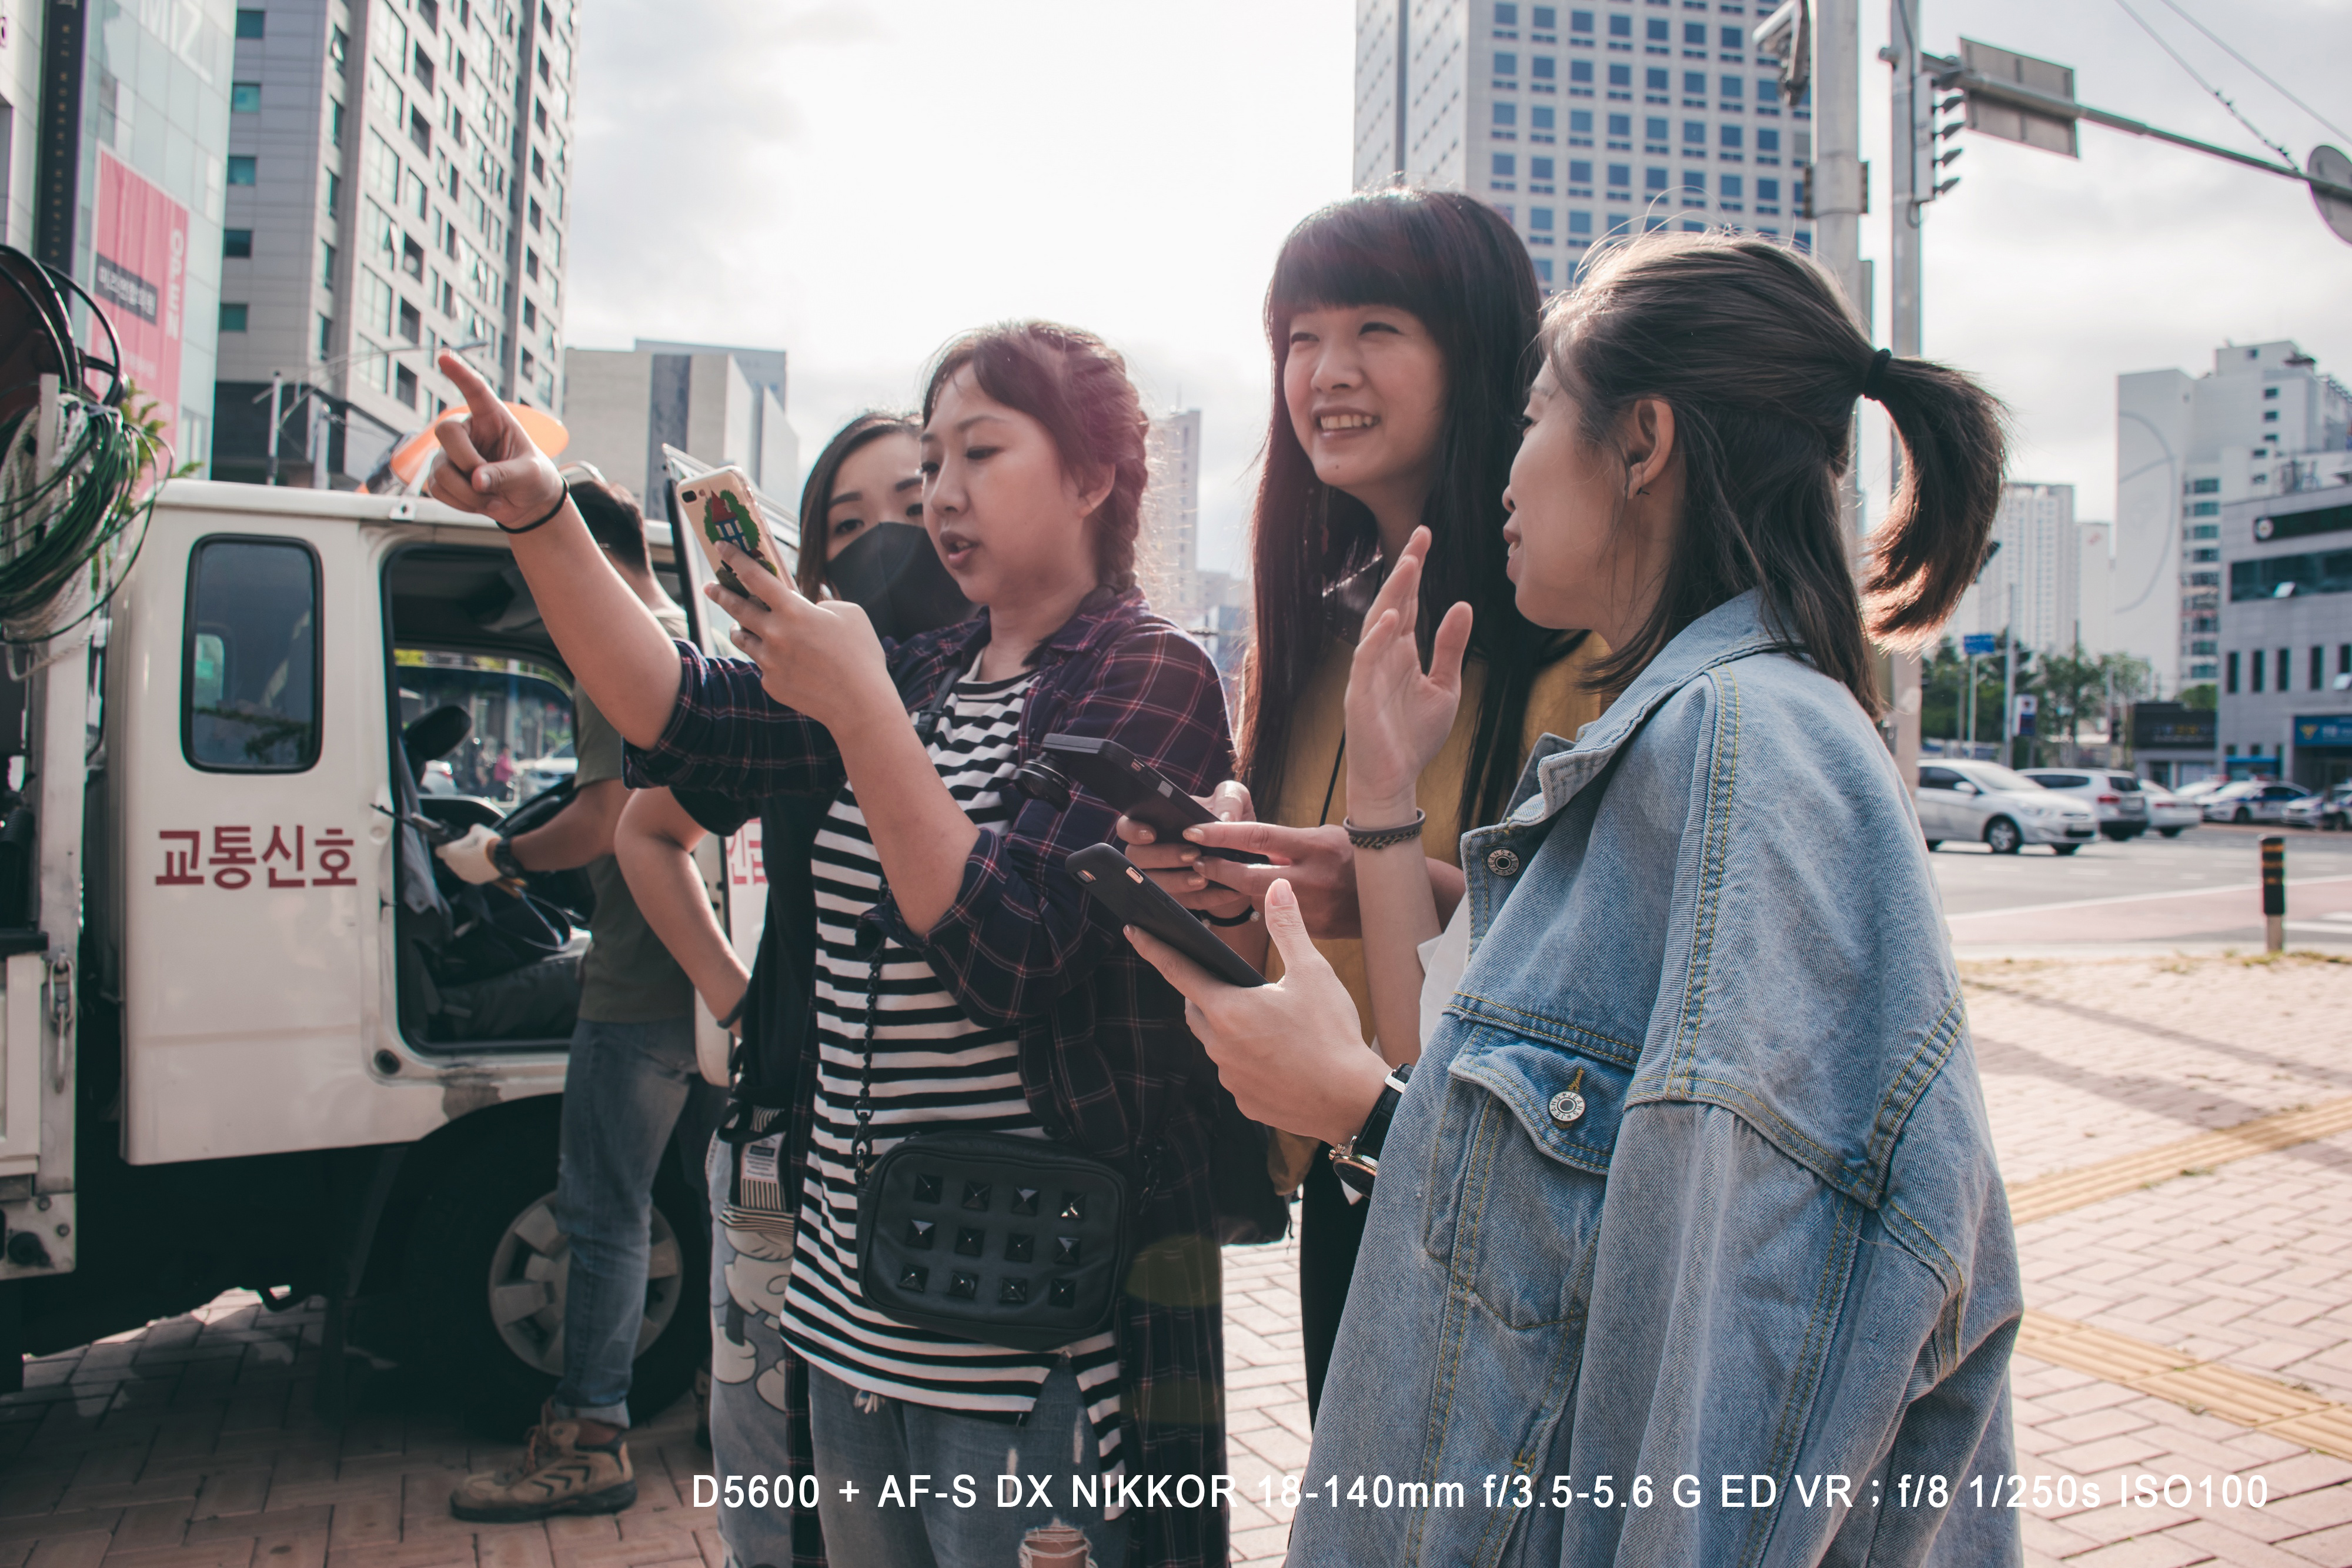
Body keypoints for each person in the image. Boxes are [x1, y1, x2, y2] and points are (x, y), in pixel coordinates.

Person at [1131, 229, 2023, 1563]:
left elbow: (1718, 1330)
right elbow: (1569, 1157)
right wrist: (1389, 818)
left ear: (1642, 442)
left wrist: (1359, 1111)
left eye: (1537, 415)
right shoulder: (1698, 729)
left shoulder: (1739, 748)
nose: (1508, 466)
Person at [421, 325, 1240, 1568]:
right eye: (934, 459)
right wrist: (539, 518)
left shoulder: (1148, 672)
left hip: (1029, 1340)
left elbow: (1011, 951)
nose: (945, 495)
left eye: (980, 454)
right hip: (849, 1311)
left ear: (1093, 475)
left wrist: (861, 707)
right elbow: (677, 710)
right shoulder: (921, 670)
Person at [1119, 188, 1609, 1419]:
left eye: (1375, 328)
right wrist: (1222, 879)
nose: (1325, 372)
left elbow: (1597, 964)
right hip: (1348, 1178)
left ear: (1479, 354)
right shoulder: (1306, 641)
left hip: (1510, 1194)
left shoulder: (1583, 642)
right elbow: (1274, 956)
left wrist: (1383, 877)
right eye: (1300, 337)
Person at [613, 411, 960, 1568]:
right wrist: (731, 996)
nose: (887, 540)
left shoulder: (1012, 691)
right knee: (774, 1455)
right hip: (781, 1135)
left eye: (911, 504)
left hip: (947, 1164)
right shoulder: (791, 704)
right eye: (847, 525)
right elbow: (646, 831)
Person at [444, 478, 729, 1522]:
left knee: (605, 1215)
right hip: (710, 985)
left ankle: (591, 1438)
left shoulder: (616, 649)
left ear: (587, 550)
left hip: (638, 985)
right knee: (717, 1209)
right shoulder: (700, 642)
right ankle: (724, 1399)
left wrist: (499, 857)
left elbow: (606, 820)